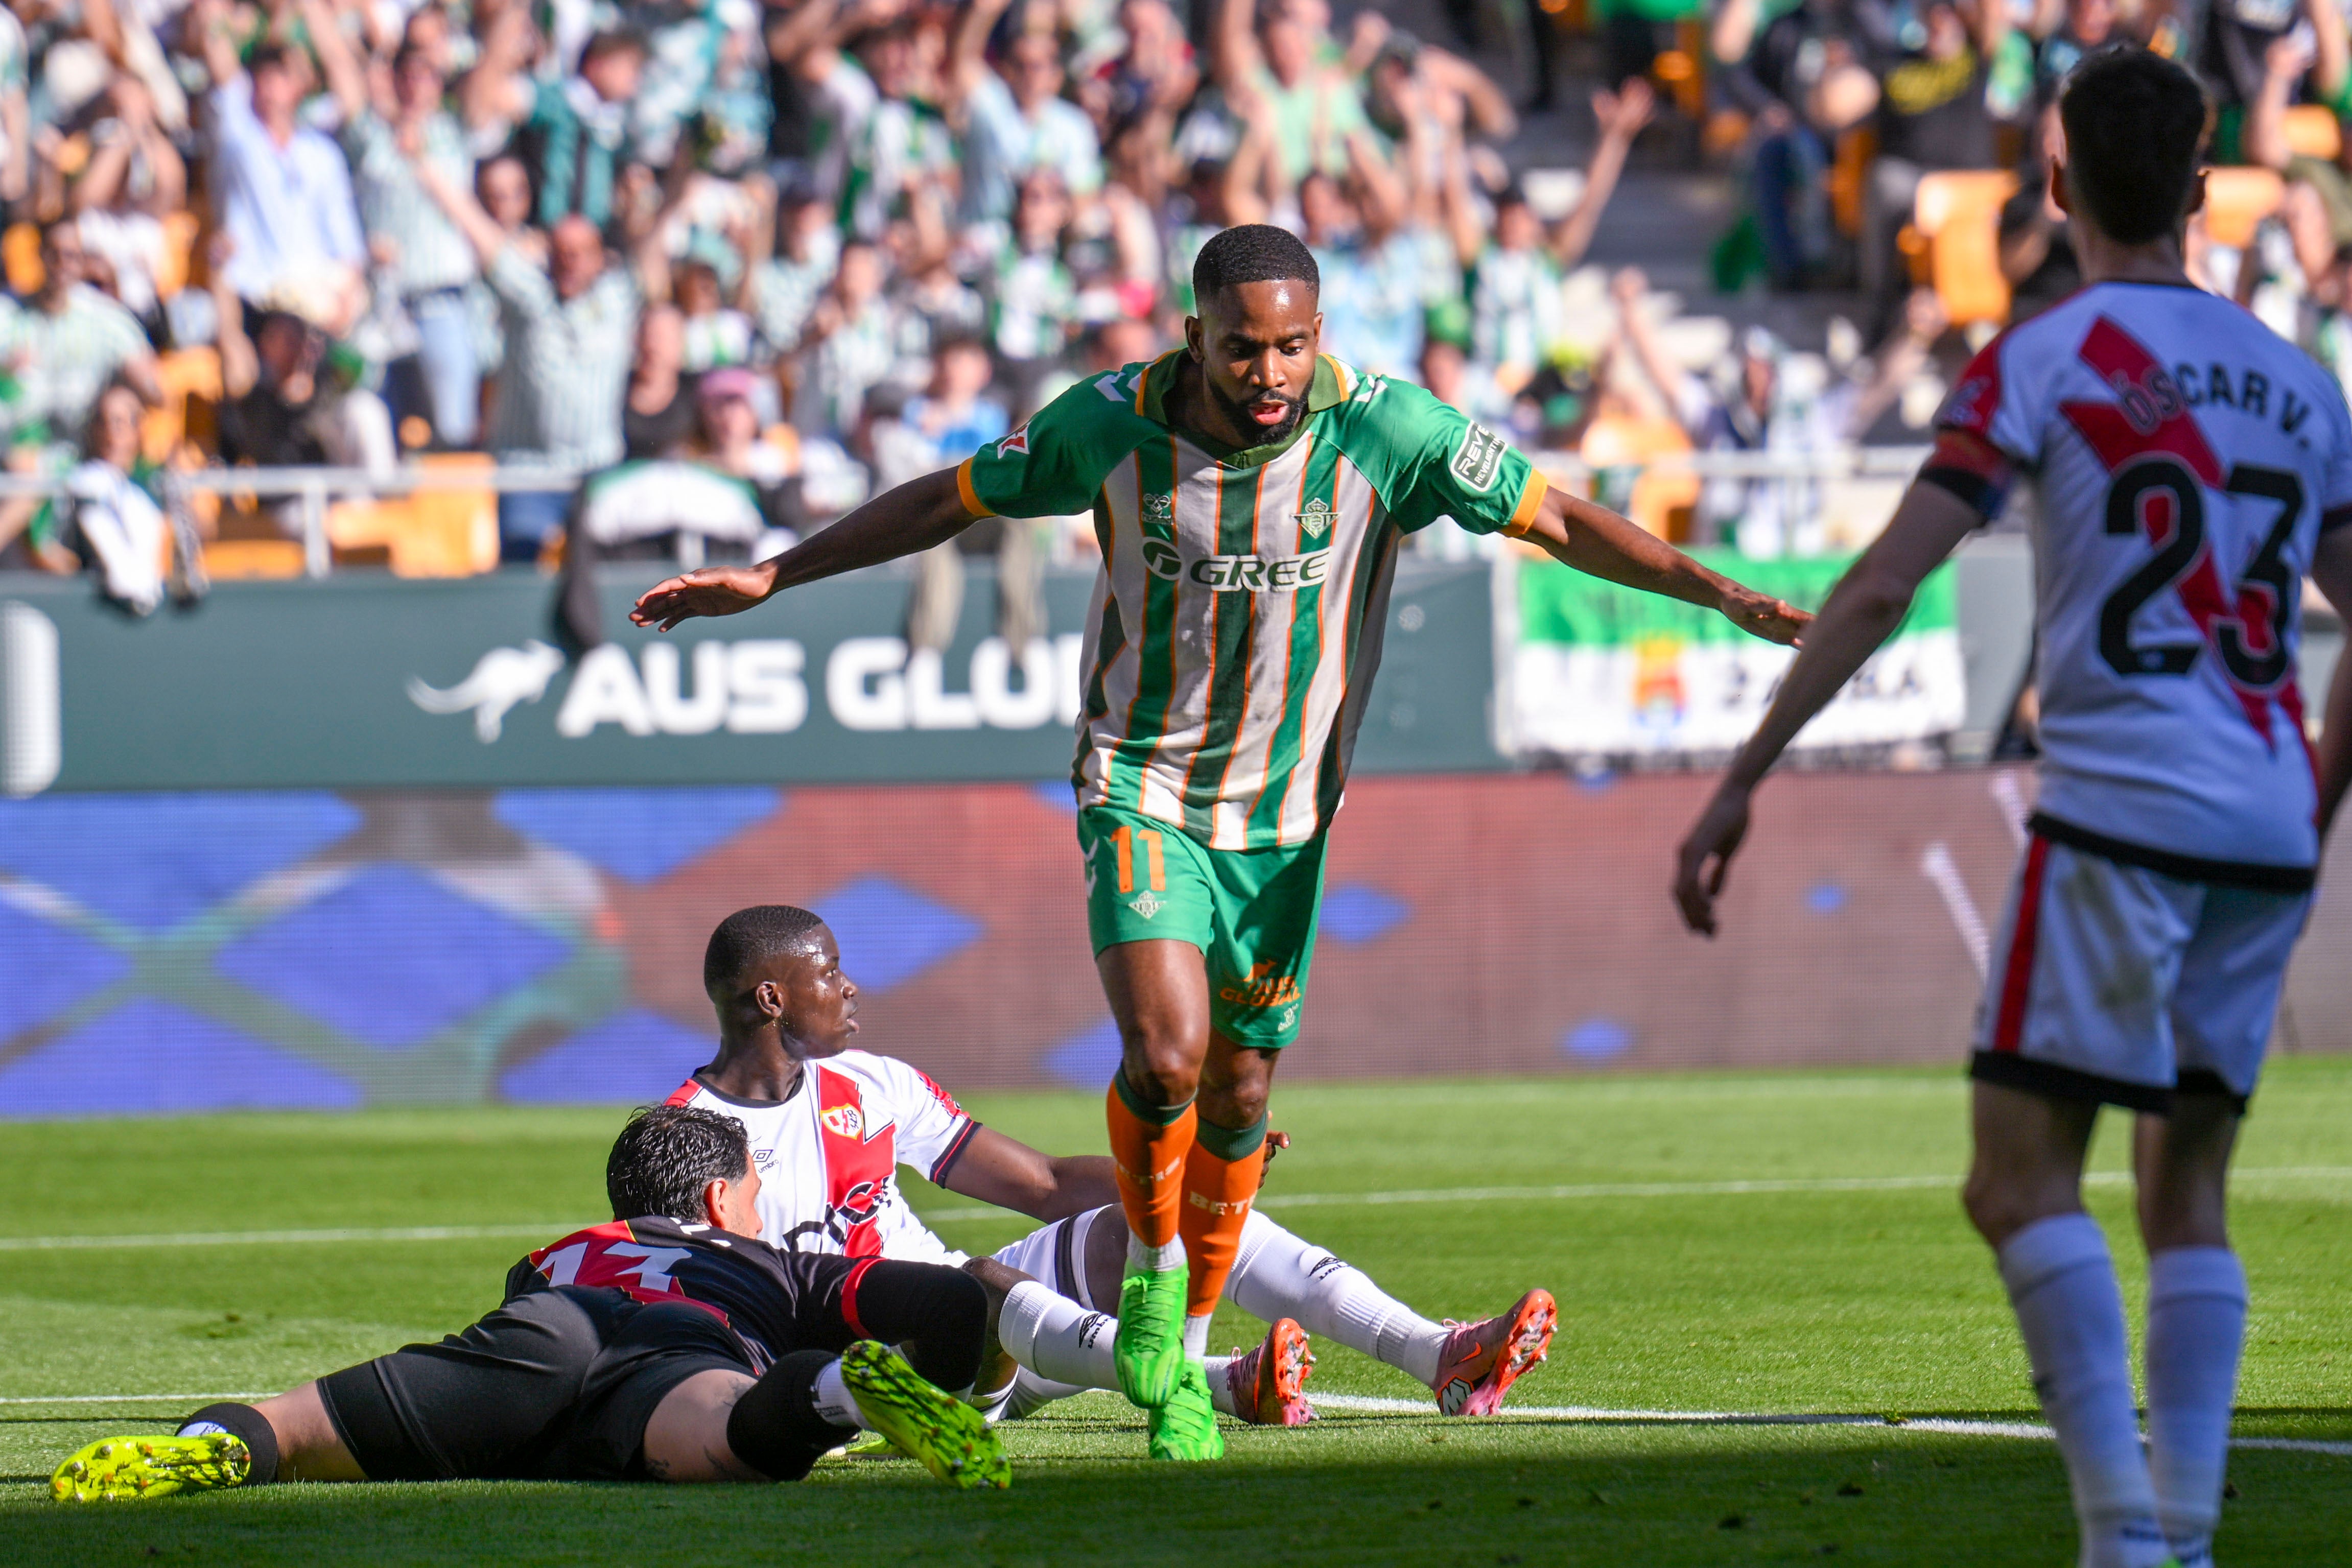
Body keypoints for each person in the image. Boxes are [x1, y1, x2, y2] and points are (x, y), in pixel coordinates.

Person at [628, 224, 1810, 1461]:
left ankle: (1191, 1348)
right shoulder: (1109, 422)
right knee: (1167, 1051)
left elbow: (1556, 519)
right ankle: (1154, 1294)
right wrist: (776, 571)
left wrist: (1718, 591)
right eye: (1243, 347)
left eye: (1293, 345)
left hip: (1287, 822)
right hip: (1141, 789)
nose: (1269, 371)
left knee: (1239, 1091)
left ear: (1319, 335)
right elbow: (947, 496)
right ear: (1195, 333)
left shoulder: (1388, 430)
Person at [1673, 48, 2352, 1568]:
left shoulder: (2043, 357)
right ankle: (2174, 1533)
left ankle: (2126, 1533)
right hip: (2260, 818)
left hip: (2118, 812)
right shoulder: (2301, 385)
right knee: (2187, 1185)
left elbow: (1882, 583)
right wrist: (2309, 797)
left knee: (2015, 1176)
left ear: (2050, 186)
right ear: (2198, 189)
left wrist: (1739, 777)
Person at [668, 905, 1559, 1435]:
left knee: (1192, 1214)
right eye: (829, 973)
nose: (850, 987)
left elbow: (1045, 1185)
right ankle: (1209, 1382)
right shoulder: (688, 1133)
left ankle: (1439, 1354)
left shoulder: (873, 1083)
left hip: (987, 1310)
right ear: (772, 997)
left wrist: (1195, 1168)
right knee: (980, 1288)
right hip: (882, 1365)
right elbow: (710, 1294)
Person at [51, 1104, 1010, 1500]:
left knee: (295, 1431)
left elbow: (543, 1324)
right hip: (689, 1344)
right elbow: (950, 1303)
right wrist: (950, 1387)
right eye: (757, 1190)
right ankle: (843, 1389)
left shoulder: (554, 1254)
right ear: (723, 1201)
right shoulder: (775, 1264)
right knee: (722, 1431)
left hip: (541, 1330)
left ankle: (207, 1446)